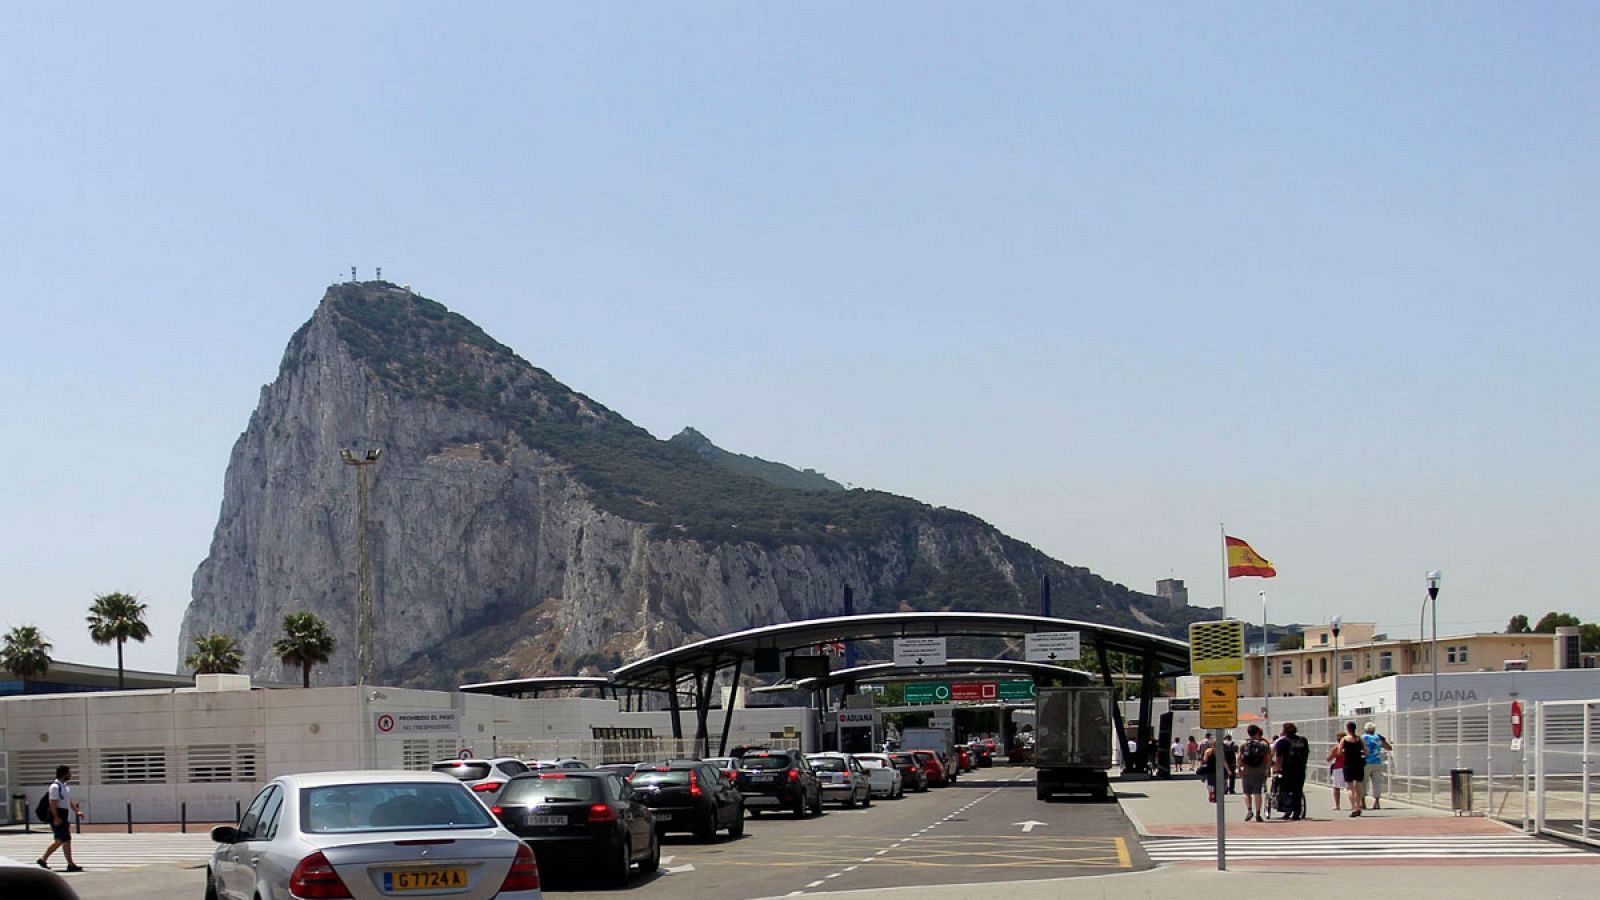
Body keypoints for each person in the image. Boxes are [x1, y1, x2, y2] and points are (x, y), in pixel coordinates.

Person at [38, 765, 84, 872]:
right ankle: (70, 864)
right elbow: (52, 803)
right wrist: (56, 817)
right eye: (69, 773)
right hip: (58, 815)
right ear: (64, 774)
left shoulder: (64, 786)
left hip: (63, 815)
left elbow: (68, 801)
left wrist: (77, 811)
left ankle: (44, 859)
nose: (71, 775)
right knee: (64, 840)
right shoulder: (55, 787)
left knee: (61, 840)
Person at [1272, 722, 1309, 820]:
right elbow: (1306, 754)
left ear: (1284, 731)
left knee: (1285, 790)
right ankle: (1296, 813)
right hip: (1300, 769)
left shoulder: (1283, 742)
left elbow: (1279, 758)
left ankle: (1288, 810)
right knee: (1298, 791)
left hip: (1287, 770)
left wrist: (1276, 769)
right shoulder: (1303, 740)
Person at [1238, 724, 1273, 822]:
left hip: (1247, 771)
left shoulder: (1243, 744)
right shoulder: (1264, 744)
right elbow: (1269, 758)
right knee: (1257, 792)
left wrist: (1239, 768)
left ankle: (1249, 810)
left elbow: (1239, 757)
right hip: (1260, 770)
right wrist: (1268, 769)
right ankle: (1258, 814)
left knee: (1246, 792)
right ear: (1258, 732)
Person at [1362, 722, 1393, 810]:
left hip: (1366, 762)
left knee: (1363, 782)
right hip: (1377, 762)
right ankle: (1377, 802)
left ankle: (1363, 802)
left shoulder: (1363, 738)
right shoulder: (1378, 738)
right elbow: (1389, 748)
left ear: (1365, 729)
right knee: (1376, 783)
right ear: (1374, 729)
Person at [1339, 721, 1367, 816]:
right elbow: (1366, 751)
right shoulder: (1359, 739)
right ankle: (1358, 805)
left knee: (1350, 787)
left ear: (1347, 729)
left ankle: (1354, 807)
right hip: (1358, 763)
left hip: (1348, 764)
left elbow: (1339, 752)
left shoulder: (1344, 739)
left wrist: (1345, 752)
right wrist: (1361, 754)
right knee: (1359, 785)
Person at [1327, 737, 1345, 811]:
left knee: (1336, 787)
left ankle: (1337, 805)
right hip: (1348, 767)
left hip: (1338, 768)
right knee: (1352, 787)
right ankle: (1355, 804)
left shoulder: (1336, 748)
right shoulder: (1351, 747)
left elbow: (1329, 758)